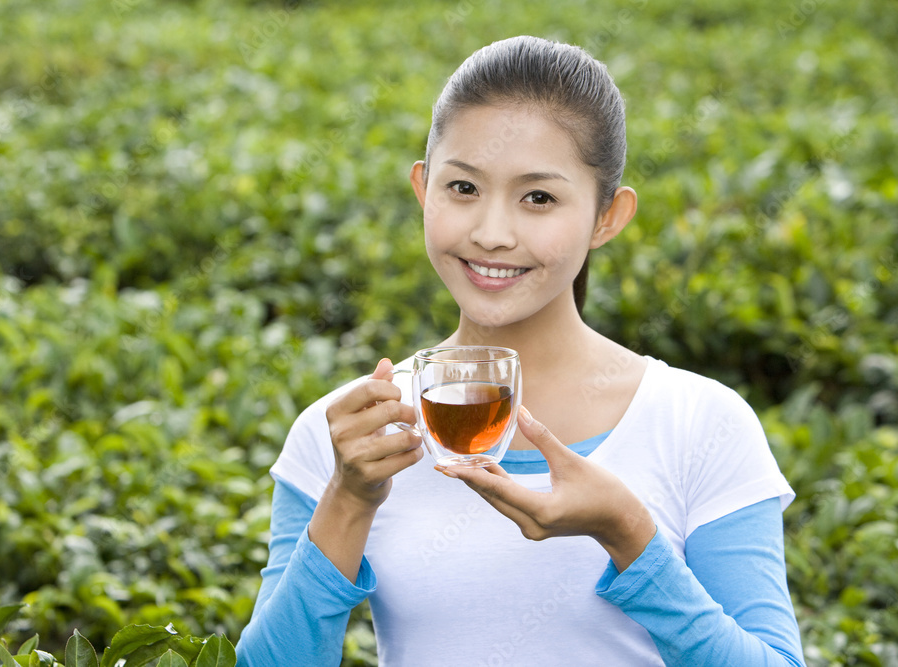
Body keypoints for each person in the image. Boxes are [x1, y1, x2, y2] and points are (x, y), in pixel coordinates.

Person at [237, 36, 806, 666]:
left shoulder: (700, 423)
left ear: (606, 218)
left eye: (538, 198)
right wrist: (347, 499)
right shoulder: (350, 434)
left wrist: (627, 531)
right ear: (423, 189)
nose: (491, 233)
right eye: (463, 188)